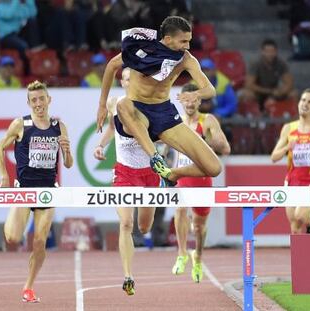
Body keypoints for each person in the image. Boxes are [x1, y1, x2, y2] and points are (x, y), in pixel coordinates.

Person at [96, 16, 222, 187]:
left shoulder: (186, 59)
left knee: (214, 168)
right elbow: (111, 66)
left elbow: (210, 89)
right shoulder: (142, 48)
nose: (188, 46)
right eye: (183, 41)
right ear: (168, 39)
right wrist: (102, 105)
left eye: (189, 41)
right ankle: (155, 158)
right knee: (122, 104)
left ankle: (171, 174)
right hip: (136, 113)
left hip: (164, 114)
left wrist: (197, 94)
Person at [0, 80, 73, 302]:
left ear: (49, 100)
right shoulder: (21, 124)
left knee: (39, 241)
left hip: (49, 191)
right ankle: (15, 220)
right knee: (12, 237)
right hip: (25, 189)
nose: (39, 103)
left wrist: (66, 152)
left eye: (42, 99)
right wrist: (4, 175)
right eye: (34, 100)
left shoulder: (59, 126)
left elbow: (68, 164)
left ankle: (28, 287)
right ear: (29, 103)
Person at [93, 68, 160, 296]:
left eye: (135, 79)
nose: (131, 83)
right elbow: (113, 126)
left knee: (144, 227)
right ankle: (128, 276)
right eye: (126, 79)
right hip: (124, 172)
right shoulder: (114, 103)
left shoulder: (150, 104)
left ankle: (134, 259)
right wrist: (101, 145)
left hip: (149, 173)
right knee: (125, 224)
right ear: (122, 82)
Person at [171, 83, 230, 283]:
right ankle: (181, 253)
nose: (189, 103)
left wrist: (202, 139)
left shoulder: (208, 120)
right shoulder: (175, 122)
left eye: (193, 99)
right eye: (185, 99)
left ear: (200, 100)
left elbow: (225, 148)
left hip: (203, 181)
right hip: (182, 179)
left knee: (198, 227)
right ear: (180, 99)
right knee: (179, 210)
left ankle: (198, 257)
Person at [271, 88, 310, 235]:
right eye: (303, 100)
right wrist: (286, 148)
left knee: (300, 215)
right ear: (298, 103)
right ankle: (302, 257)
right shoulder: (289, 128)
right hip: (292, 180)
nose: (305, 104)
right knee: (294, 227)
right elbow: (274, 157)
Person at [239, 38, 297, 111]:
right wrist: (269, 91)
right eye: (267, 51)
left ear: (276, 52)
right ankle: (249, 117)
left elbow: (289, 83)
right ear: (262, 52)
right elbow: (249, 85)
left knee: (293, 93)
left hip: (275, 93)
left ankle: (292, 117)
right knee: (246, 94)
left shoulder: (281, 64)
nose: (270, 54)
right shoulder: (255, 64)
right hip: (258, 93)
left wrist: (281, 91)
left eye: (272, 51)